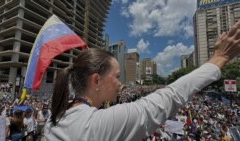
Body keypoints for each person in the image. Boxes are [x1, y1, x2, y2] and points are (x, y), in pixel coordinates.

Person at [44, 20, 240, 141]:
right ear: (96, 80)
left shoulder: (54, 119)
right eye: (117, 77)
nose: (120, 84)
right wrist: (219, 58)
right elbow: (169, 96)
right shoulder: (97, 124)